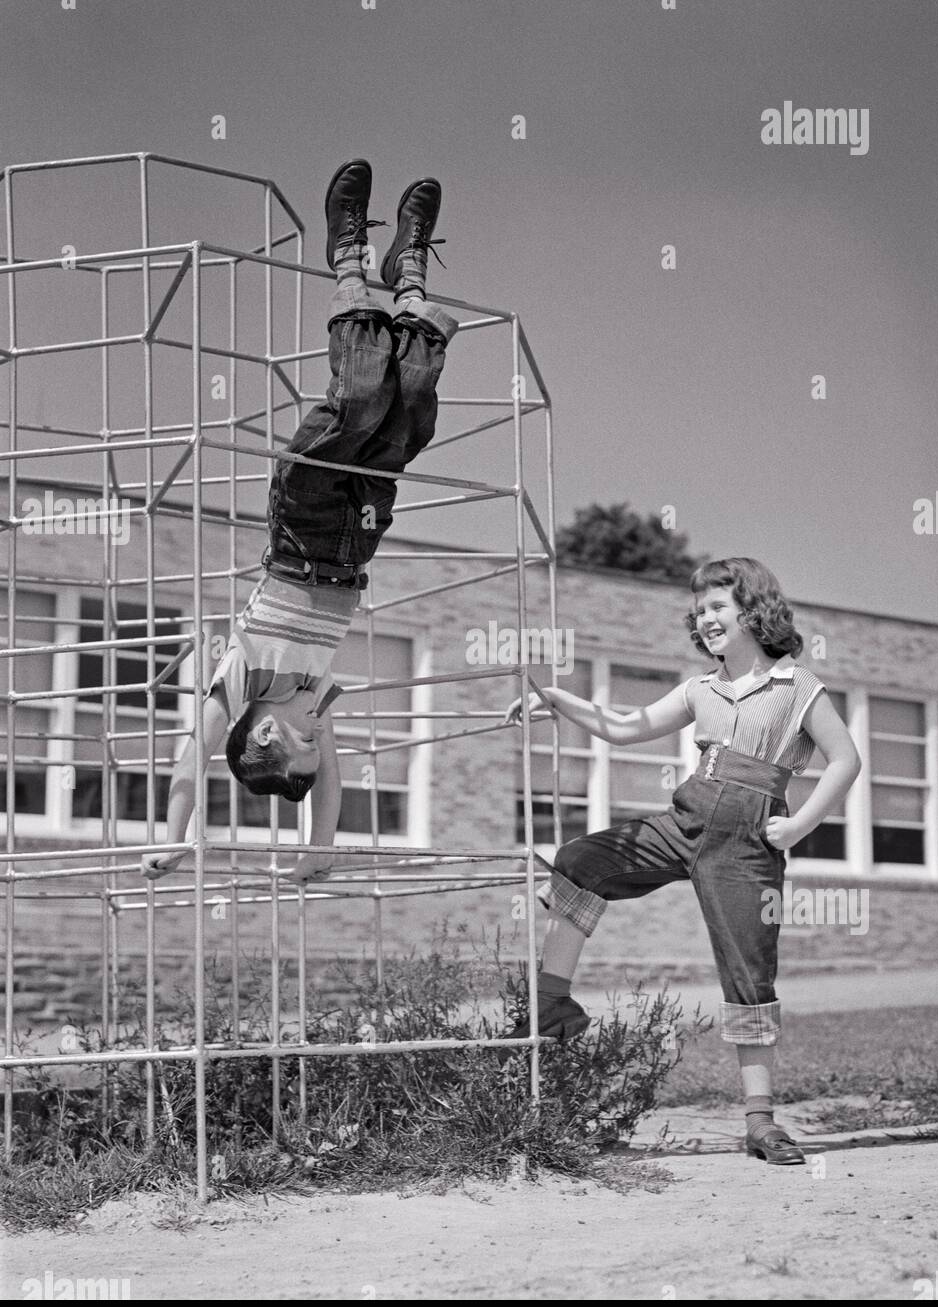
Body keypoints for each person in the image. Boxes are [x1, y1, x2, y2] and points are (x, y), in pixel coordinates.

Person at [141, 158, 456, 884]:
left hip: (302, 531)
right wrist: (319, 856)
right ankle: (408, 273)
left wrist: (174, 840)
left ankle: (347, 257)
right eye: (323, 742)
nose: (326, 737)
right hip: (355, 545)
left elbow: (191, 757)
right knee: (405, 416)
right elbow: (333, 789)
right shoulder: (310, 700)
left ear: (272, 733)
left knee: (358, 405)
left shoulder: (243, 684)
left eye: (309, 743)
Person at [505, 557, 862, 1164]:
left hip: (748, 841)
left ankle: (761, 1121)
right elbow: (624, 727)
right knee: (579, 860)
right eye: (700, 611)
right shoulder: (702, 688)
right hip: (686, 819)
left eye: (718, 606)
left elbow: (845, 760)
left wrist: (799, 823)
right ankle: (552, 1003)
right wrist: (557, 698)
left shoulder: (796, 686)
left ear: (753, 611)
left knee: (749, 975)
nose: (706, 618)